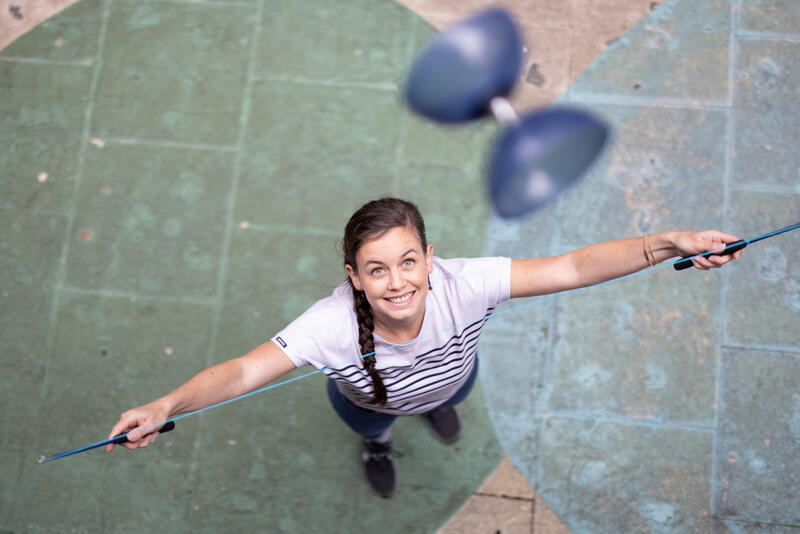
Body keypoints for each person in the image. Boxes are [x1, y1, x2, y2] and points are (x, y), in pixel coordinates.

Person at [106, 197, 742, 498]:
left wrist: (670, 241)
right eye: (376, 269)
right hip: (369, 404)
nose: (397, 281)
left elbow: (573, 267)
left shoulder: (466, 284)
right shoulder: (330, 325)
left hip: (452, 377)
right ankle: (377, 447)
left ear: (430, 257)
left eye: (408, 261)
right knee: (374, 429)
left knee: (450, 391)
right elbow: (244, 370)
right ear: (354, 277)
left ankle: (437, 407)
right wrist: (168, 404)